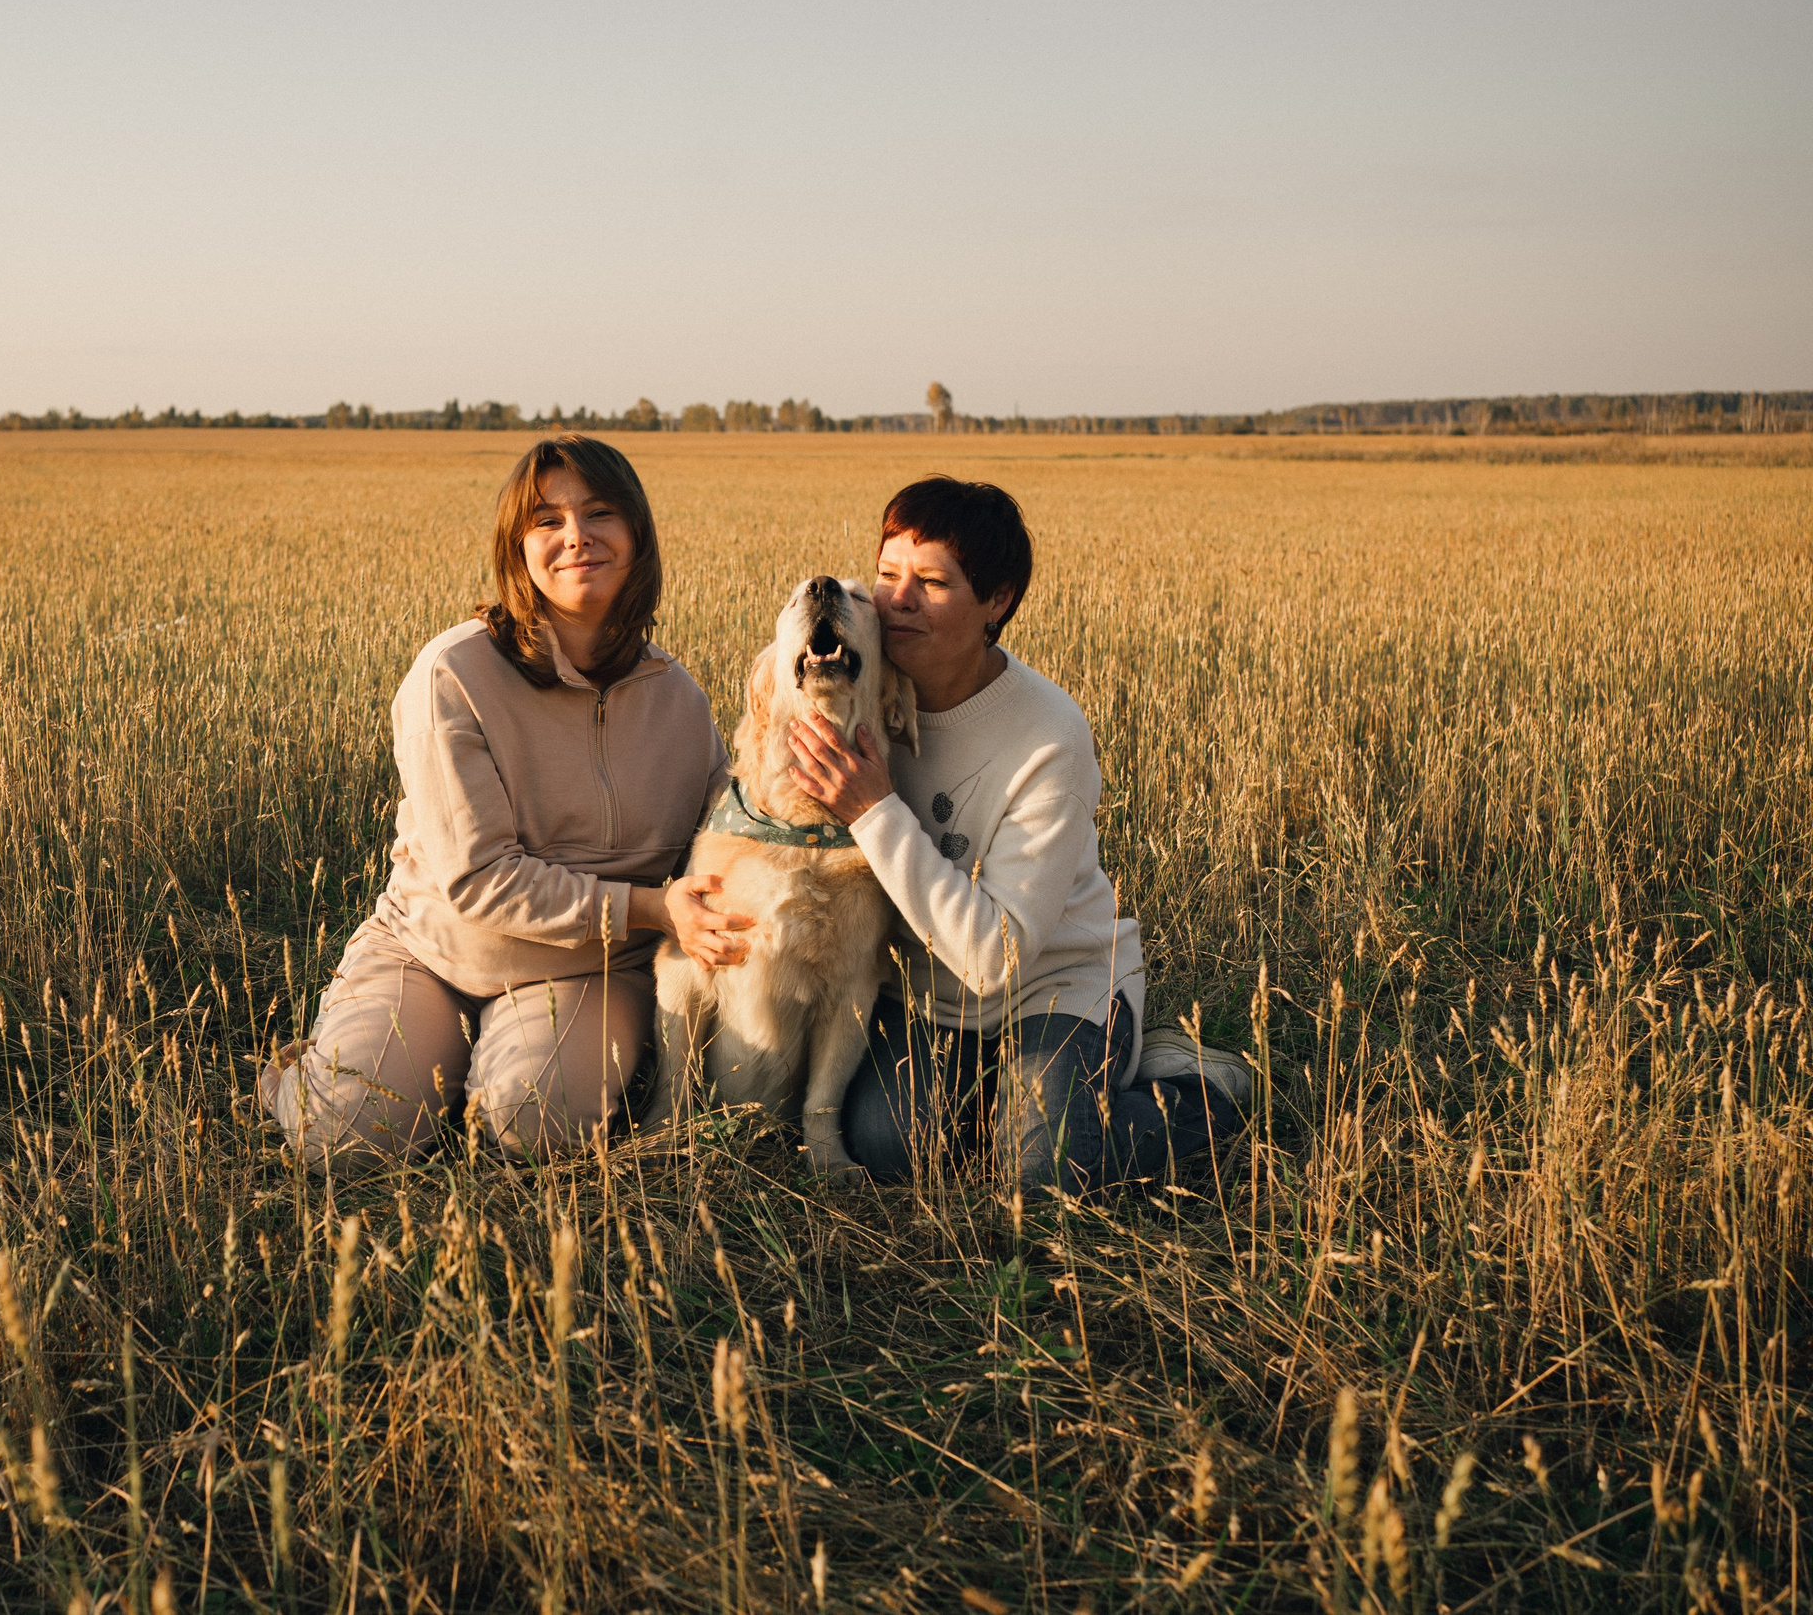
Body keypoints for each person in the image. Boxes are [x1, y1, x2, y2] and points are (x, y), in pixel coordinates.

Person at [260, 436, 748, 1165]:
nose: (576, 536)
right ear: (517, 547)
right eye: (547, 520)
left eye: (600, 513)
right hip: (433, 951)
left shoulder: (677, 698)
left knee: (534, 1122)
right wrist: (652, 907)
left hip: (590, 967)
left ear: (636, 536)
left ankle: (474, 1075)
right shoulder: (453, 673)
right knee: (346, 1139)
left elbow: (730, 824)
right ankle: (301, 1075)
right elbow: (480, 878)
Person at [784, 477, 1252, 1192]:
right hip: (926, 996)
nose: (897, 599)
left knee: (1042, 1169)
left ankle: (1195, 1090)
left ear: (996, 601)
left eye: (933, 581)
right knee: (885, 1148)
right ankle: (1003, 1109)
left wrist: (874, 810)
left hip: (1052, 983)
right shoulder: (858, 691)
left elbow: (995, 957)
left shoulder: (1048, 736)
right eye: (886, 574)